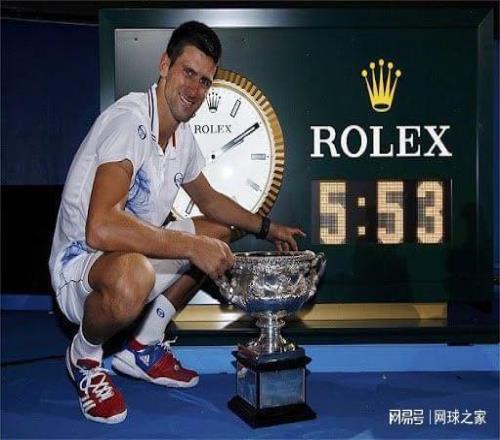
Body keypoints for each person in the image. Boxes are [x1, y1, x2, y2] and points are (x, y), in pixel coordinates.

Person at [49, 21, 304, 424]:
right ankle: (84, 355)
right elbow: (101, 228)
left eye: (205, 81)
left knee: (217, 233)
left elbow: (209, 200)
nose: (195, 89)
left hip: (130, 257)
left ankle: (143, 347)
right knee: (137, 273)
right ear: (164, 65)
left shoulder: (181, 136)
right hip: (81, 267)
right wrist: (190, 246)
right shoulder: (129, 121)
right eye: (188, 73)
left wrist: (268, 228)